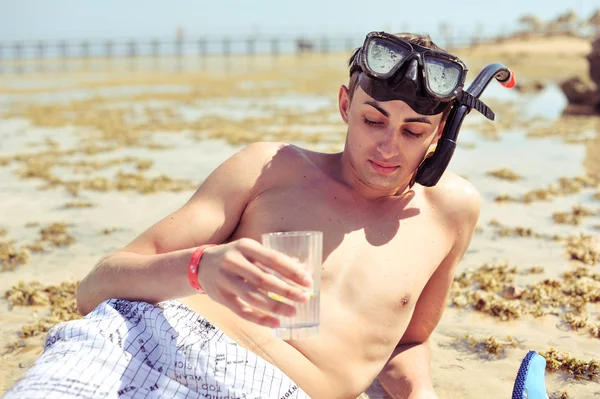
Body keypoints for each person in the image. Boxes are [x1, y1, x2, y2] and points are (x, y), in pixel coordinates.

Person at [5, 31, 509, 399]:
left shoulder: (452, 211)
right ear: (343, 105)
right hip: (143, 343)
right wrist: (200, 268)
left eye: (413, 131)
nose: (387, 146)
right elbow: (94, 288)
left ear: (443, 134)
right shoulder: (273, 166)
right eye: (373, 119)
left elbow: (407, 341)